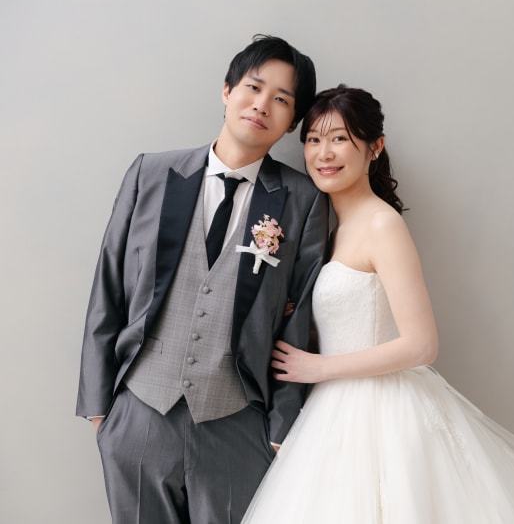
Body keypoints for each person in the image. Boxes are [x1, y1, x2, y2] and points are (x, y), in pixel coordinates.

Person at [241, 85, 514, 524]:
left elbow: (421, 345)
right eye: (314, 140)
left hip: (380, 409)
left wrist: (320, 367)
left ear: (375, 147)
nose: (324, 153)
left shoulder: (382, 225)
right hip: (332, 409)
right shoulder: (333, 229)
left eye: (340, 138)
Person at [76, 35, 329, 523]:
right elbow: (107, 287)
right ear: (227, 90)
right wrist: (99, 410)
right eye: (253, 87)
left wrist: (280, 430)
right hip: (138, 415)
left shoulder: (303, 200)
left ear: (293, 121)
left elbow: (301, 319)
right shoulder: (150, 173)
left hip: (239, 426)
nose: (262, 105)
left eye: (281, 99)